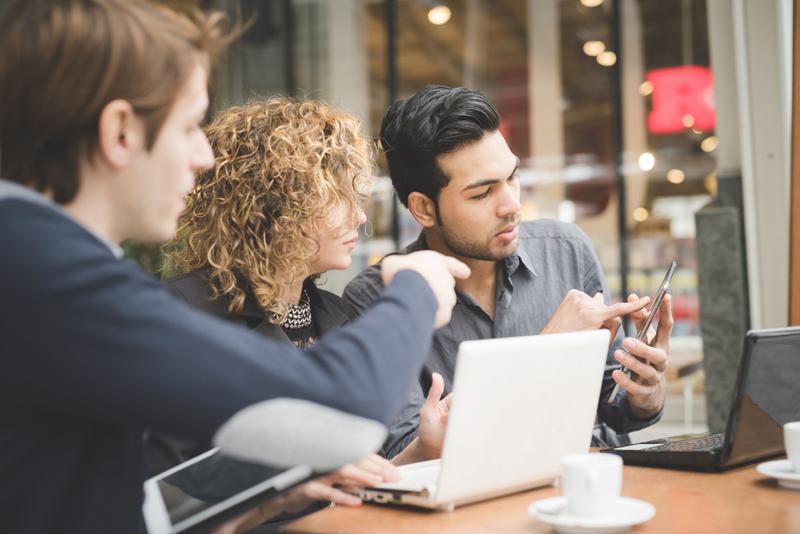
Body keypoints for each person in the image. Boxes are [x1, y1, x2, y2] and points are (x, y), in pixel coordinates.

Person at [0, 3, 468, 531]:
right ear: (120, 132)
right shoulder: (48, 277)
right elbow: (336, 414)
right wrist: (414, 288)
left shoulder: (35, 262)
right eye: (188, 126)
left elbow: (106, 501)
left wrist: (264, 501)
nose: (203, 157)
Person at [150, 98, 453, 515]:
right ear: (276, 205)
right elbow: (166, 496)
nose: (360, 219)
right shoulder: (183, 314)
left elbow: (345, 487)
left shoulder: (336, 312)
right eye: (340, 197)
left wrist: (422, 448)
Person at [343, 85, 673, 460]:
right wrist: (543, 350)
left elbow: (610, 406)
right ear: (423, 209)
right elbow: (407, 454)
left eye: (512, 178)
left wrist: (645, 395)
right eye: (482, 194)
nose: (512, 205)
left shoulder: (565, 249)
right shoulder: (376, 297)